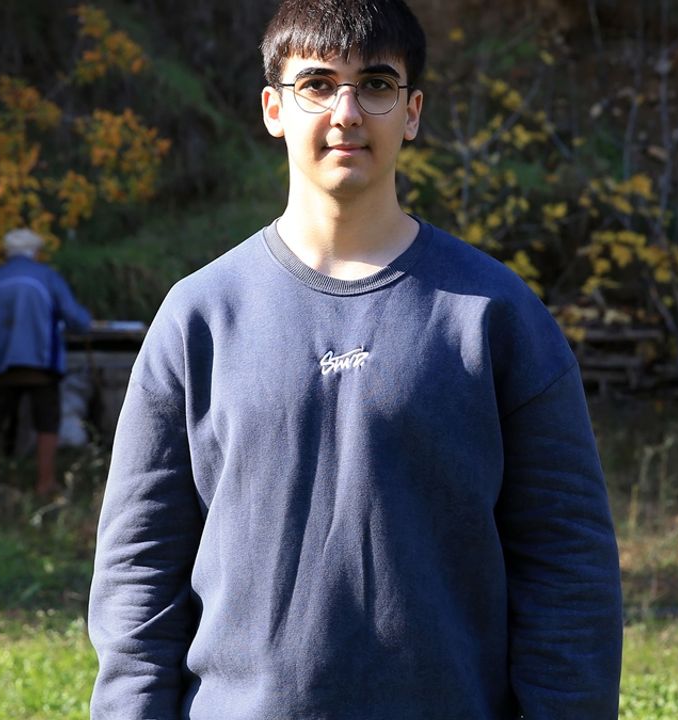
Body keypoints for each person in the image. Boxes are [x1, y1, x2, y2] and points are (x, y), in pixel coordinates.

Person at [88, 0, 623, 717]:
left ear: (412, 112)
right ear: (274, 109)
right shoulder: (200, 316)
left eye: (375, 84)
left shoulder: (496, 316)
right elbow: (138, 572)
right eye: (316, 84)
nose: (346, 112)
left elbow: (568, 564)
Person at [0, 228, 92, 498]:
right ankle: (45, 483)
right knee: (47, 421)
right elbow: (78, 320)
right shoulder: (48, 277)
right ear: (35, 252)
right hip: (42, 366)